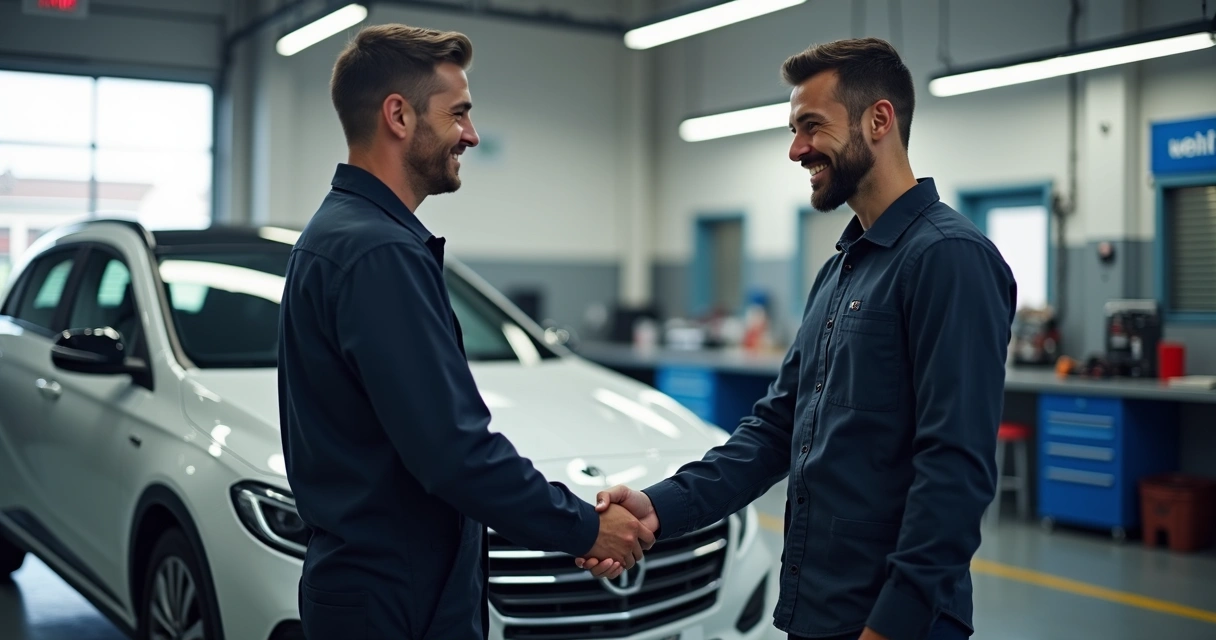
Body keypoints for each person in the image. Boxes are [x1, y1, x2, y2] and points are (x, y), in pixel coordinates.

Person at [581, 37, 1017, 640]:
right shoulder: (840, 271)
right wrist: (661, 505)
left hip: (892, 621)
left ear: (879, 120)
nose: (796, 149)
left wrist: (894, 622)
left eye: (812, 126)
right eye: (794, 130)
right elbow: (776, 429)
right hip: (817, 608)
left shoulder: (949, 258)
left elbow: (955, 470)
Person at [277, 23, 649, 639]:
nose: (471, 135)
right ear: (399, 116)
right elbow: (453, 453)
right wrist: (585, 526)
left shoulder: (339, 234)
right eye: (458, 113)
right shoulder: (379, 253)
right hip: (398, 603)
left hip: (377, 588)